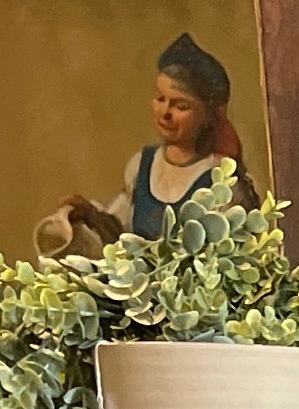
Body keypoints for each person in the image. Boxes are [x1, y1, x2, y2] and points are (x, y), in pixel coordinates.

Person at [35, 33, 248, 257]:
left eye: (180, 106)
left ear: (209, 116)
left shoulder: (223, 182)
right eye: (160, 99)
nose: (165, 113)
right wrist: (90, 215)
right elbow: (121, 234)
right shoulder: (141, 166)